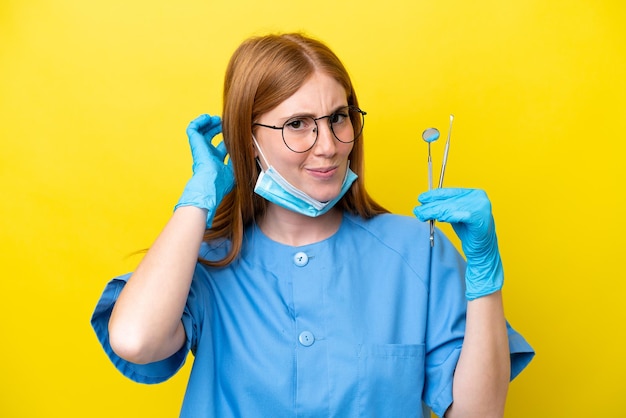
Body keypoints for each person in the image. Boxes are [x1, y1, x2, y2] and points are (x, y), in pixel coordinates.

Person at [91, 32, 534, 417]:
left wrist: (484, 277)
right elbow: (135, 340)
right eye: (298, 124)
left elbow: (479, 413)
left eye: (338, 118)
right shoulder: (204, 266)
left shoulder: (420, 250)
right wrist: (199, 197)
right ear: (247, 138)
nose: (328, 146)